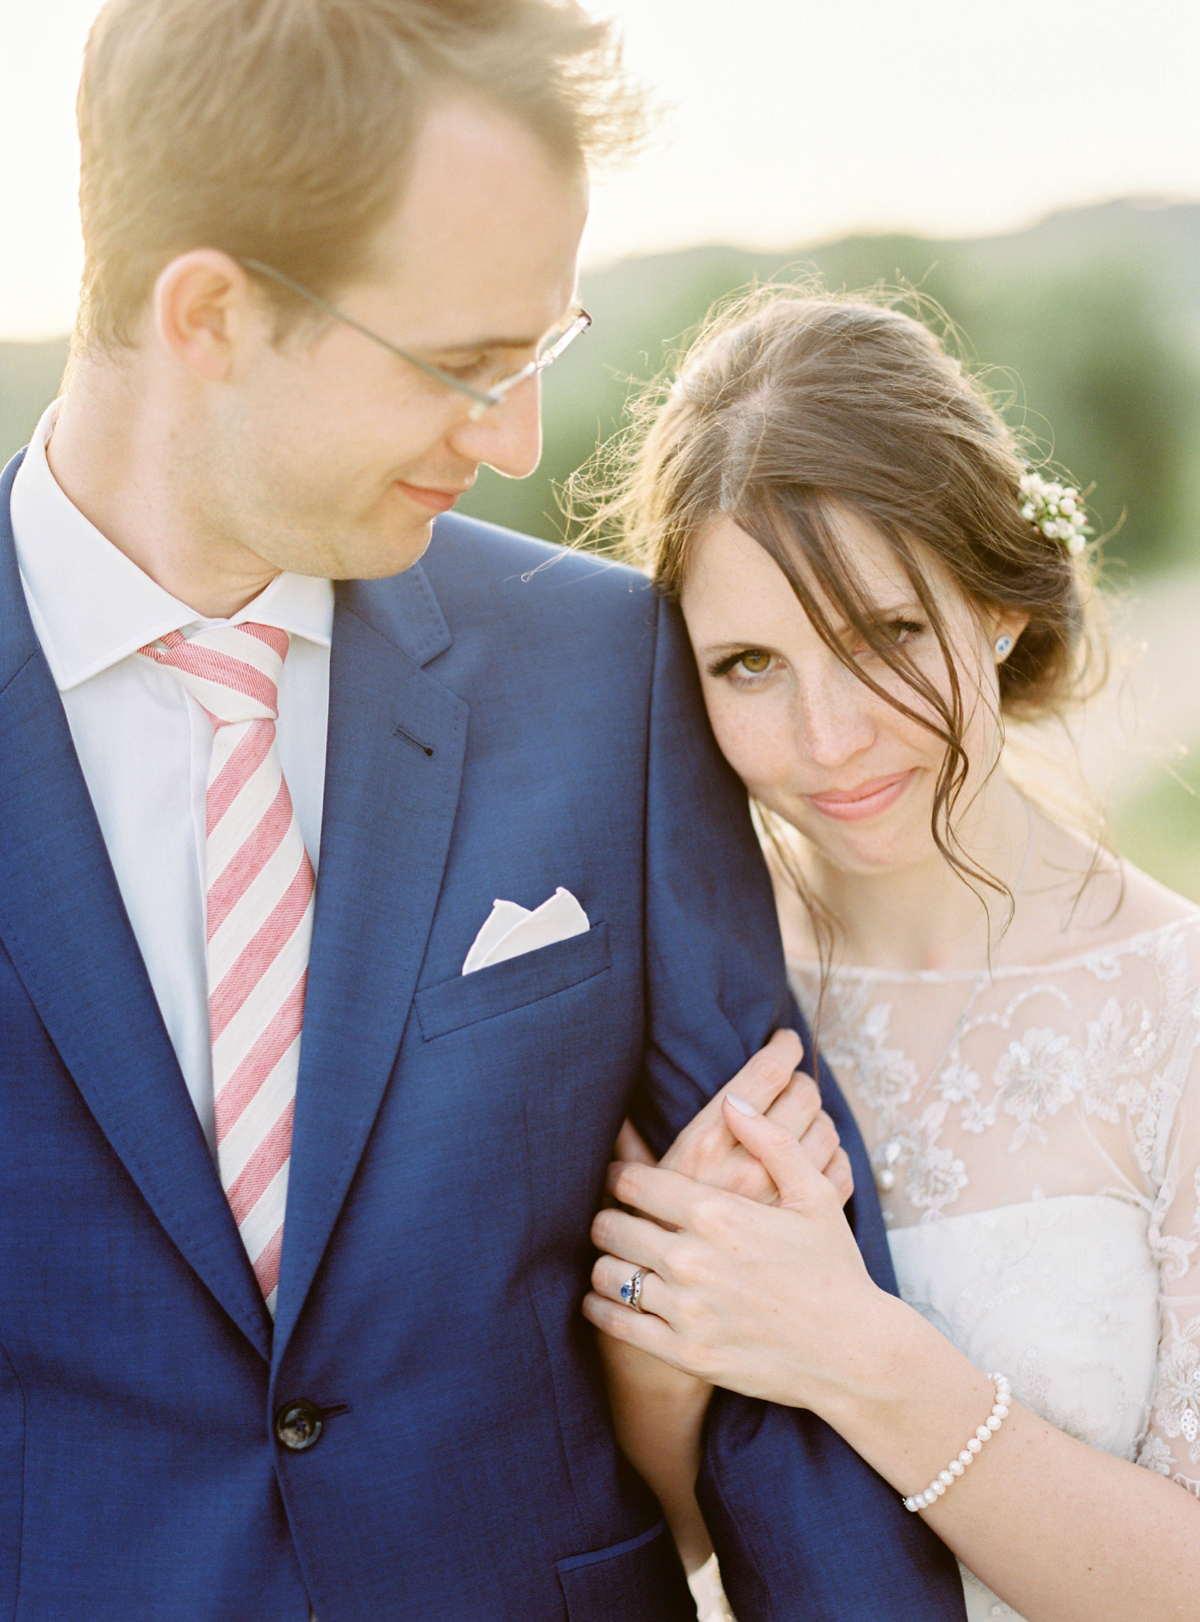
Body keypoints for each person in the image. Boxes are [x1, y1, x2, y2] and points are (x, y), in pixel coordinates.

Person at [0, 5, 970, 1618]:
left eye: (542, 350)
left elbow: (781, 1319)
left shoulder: (603, 674)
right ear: (211, 313)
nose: (517, 437)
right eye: (462, 366)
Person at [584, 292, 1200, 1621]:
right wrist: (665, 1330)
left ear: (994, 599)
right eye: (749, 663)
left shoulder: (1177, 1013)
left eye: (889, 635)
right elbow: (664, 1538)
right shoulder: (682, 1013)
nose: (830, 735)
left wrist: (856, 1351)